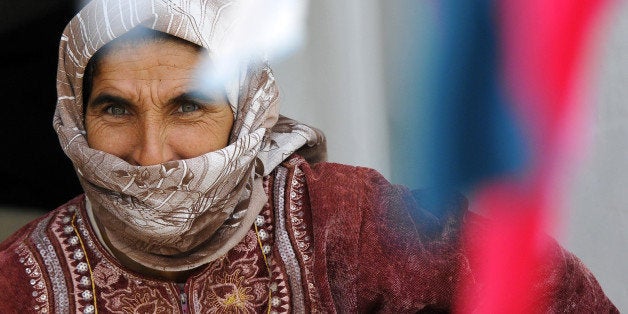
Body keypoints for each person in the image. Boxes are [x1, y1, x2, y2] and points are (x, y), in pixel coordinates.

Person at [0, 0, 618, 312]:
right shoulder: (20, 280)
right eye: (115, 110)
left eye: (189, 107)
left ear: (247, 112)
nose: (152, 153)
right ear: (73, 117)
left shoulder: (346, 225)